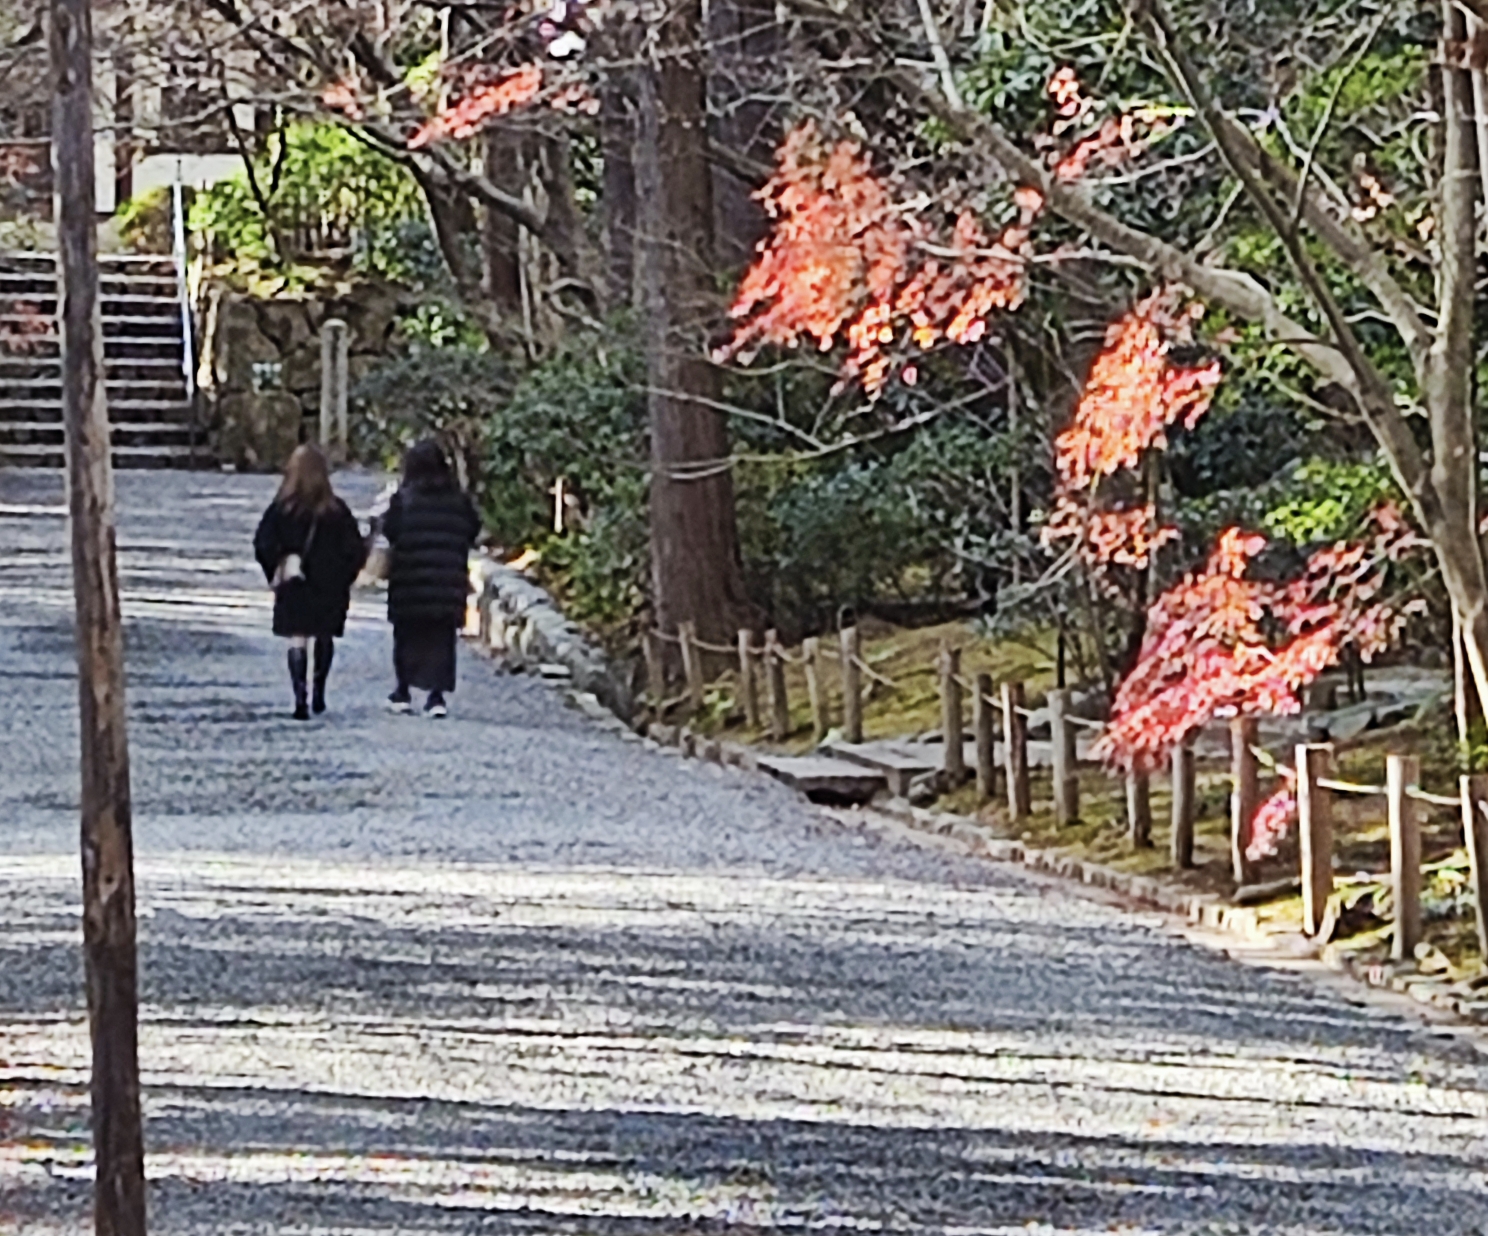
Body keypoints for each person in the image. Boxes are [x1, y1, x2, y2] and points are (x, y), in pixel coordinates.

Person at [253, 444, 368, 721]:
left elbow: (263, 543)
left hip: (296, 581)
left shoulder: (282, 508)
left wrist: (276, 570)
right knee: (324, 635)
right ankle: (319, 691)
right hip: (329, 583)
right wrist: (343, 577)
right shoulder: (337, 510)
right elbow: (355, 549)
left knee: (298, 637)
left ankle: (299, 697)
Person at [382, 439, 481, 718]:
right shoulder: (458, 500)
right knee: (442, 638)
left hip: (409, 579)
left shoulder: (403, 499)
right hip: (447, 581)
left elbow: (391, 532)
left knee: (407, 635)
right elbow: (472, 530)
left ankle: (402, 691)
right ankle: (436, 697)